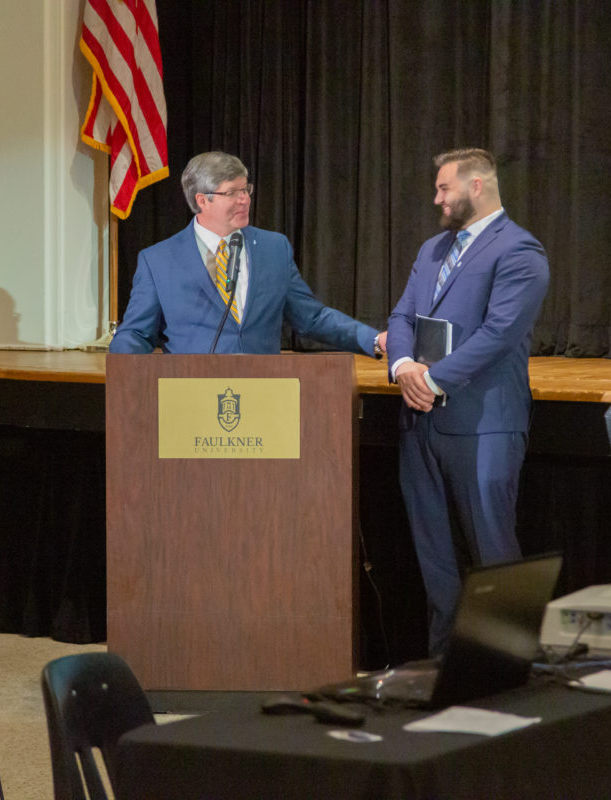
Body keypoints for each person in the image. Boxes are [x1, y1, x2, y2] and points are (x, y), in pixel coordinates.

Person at [385, 148, 550, 655]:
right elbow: (401, 319)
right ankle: (444, 668)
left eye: (444, 189)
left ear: (477, 186)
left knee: (493, 553)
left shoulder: (520, 251)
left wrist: (432, 380)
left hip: (482, 426)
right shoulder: (432, 249)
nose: (436, 198)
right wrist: (402, 366)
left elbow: (499, 334)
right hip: (421, 426)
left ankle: (508, 671)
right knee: (435, 559)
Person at [110, 151, 382, 357]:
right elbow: (136, 333)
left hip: (263, 399)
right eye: (232, 192)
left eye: (245, 189)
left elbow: (311, 318)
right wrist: (125, 373)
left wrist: (375, 339)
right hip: (191, 398)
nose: (245, 199)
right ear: (202, 200)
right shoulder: (158, 260)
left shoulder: (274, 248)